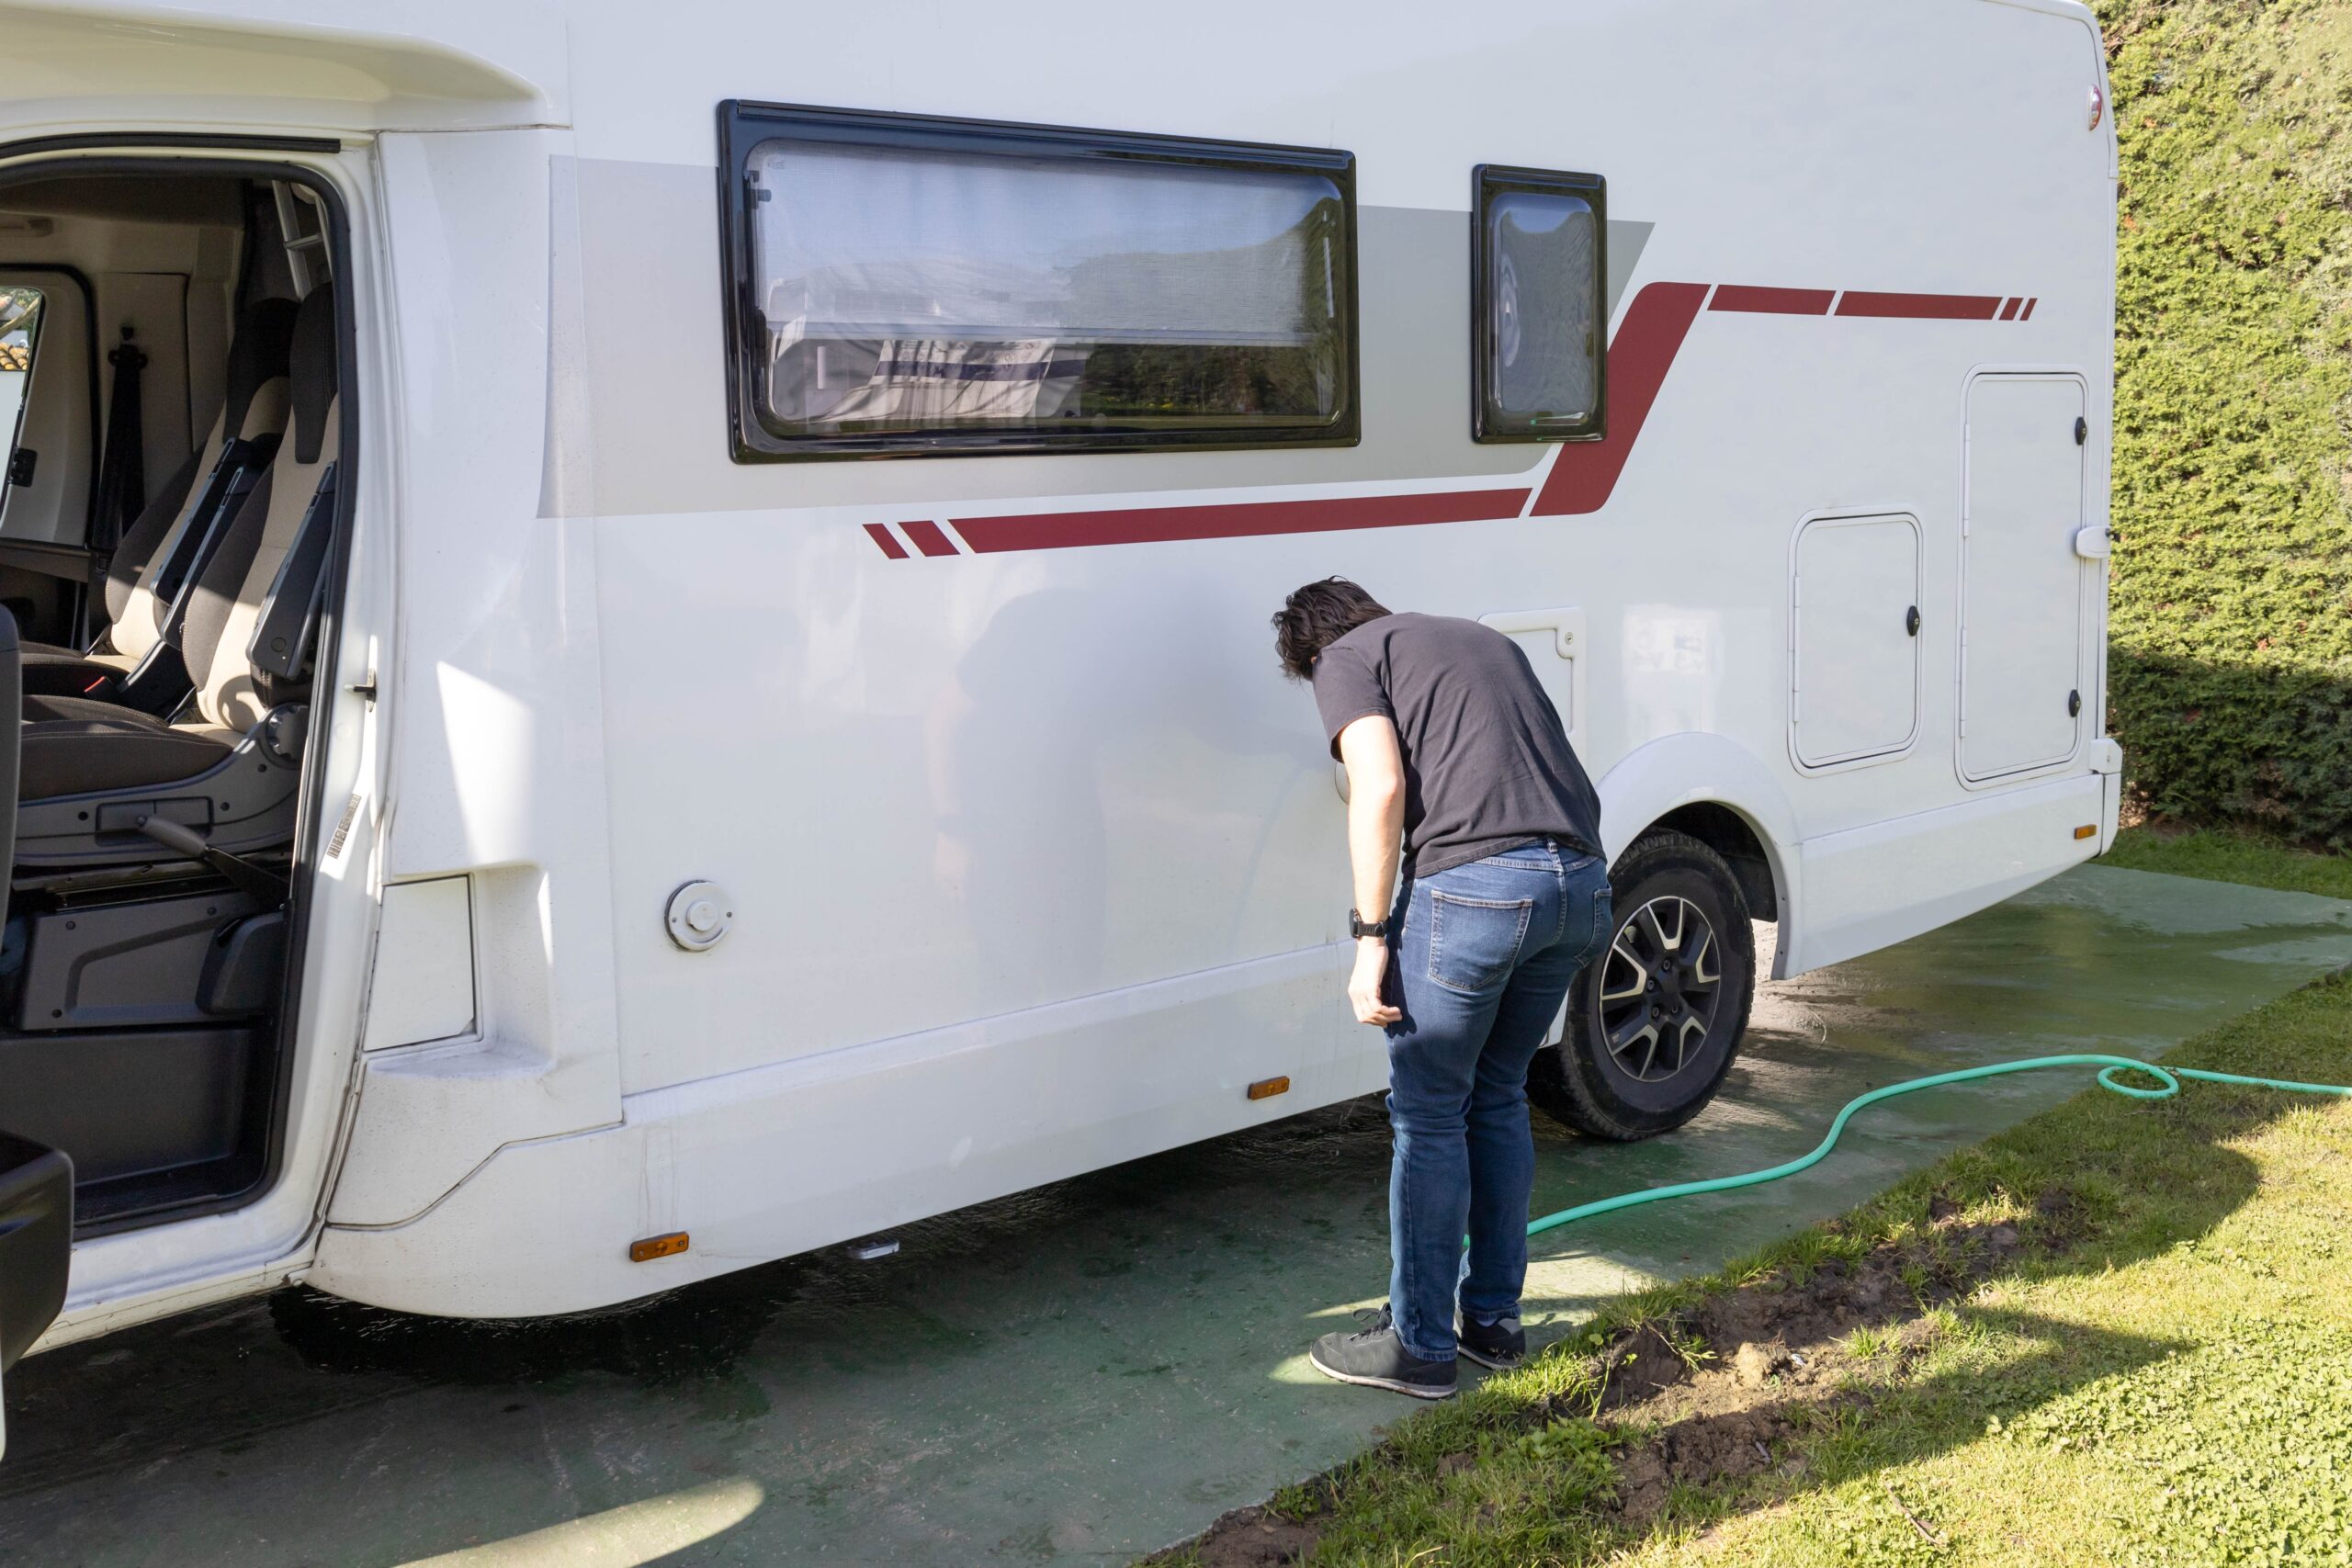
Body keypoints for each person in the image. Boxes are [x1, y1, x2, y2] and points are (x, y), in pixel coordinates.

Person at [1272, 577, 1611, 1399]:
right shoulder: (1479, 638)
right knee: (1495, 1096)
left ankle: (1419, 1346)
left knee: (1428, 1116)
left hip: (1477, 892)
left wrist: (1370, 938)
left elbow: (1380, 786)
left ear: (1311, 651)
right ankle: (1493, 1323)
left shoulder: (1345, 658)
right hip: (1580, 884)